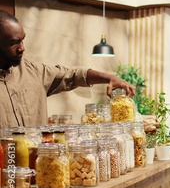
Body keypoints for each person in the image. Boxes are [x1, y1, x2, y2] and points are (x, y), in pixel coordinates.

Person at [0, 10, 135, 130]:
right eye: (13, 43)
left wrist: (110, 78)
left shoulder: (33, 72)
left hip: (37, 158)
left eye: (22, 40)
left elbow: (73, 75)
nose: (22, 48)